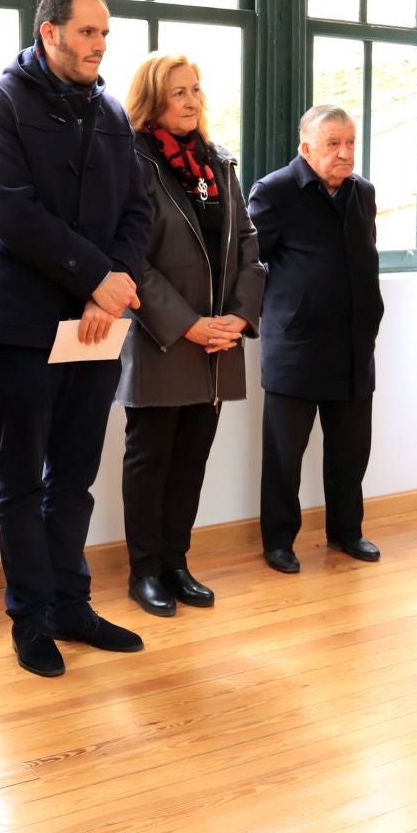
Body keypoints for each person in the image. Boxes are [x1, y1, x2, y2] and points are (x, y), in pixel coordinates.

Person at [0, 0, 152, 677]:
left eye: (105, 34)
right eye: (87, 33)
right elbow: (12, 213)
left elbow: (138, 210)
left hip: (99, 322)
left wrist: (116, 286)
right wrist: (96, 278)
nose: (99, 45)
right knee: (23, 478)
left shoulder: (108, 111)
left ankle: (72, 605)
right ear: (49, 34)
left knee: (74, 477)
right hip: (24, 324)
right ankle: (31, 618)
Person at [116, 53, 264, 617]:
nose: (191, 100)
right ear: (153, 99)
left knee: (192, 458)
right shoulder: (133, 160)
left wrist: (238, 319)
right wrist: (188, 324)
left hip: (218, 345)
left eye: (196, 90)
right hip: (162, 341)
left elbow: (250, 248)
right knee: (150, 459)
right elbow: (133, 259)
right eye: (178, 92)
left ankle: (176, 562)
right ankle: (144, 571)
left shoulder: (220, 164)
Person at [248, 104, 384, 574]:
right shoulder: (275, 192)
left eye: (350, 143)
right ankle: (279, 541)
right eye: (333, 144)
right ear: (306, 148)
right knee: (285, 456)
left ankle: (347, 532)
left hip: (353, 347)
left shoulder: (362, 193)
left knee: (351, 452)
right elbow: (249, 265)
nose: (345, 153)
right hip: (297, 349)